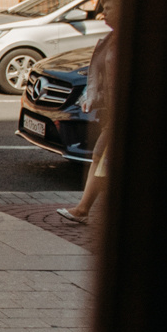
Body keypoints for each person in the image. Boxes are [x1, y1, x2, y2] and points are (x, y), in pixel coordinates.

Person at [58, 16, 118, 228]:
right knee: (101, 157)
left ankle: (84, 209)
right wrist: (91, 98)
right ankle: (83, 209)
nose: (103, 14)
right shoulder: (108, 40)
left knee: (102, 156)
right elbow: (100, 77)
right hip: (111, 112)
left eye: (108, 7)